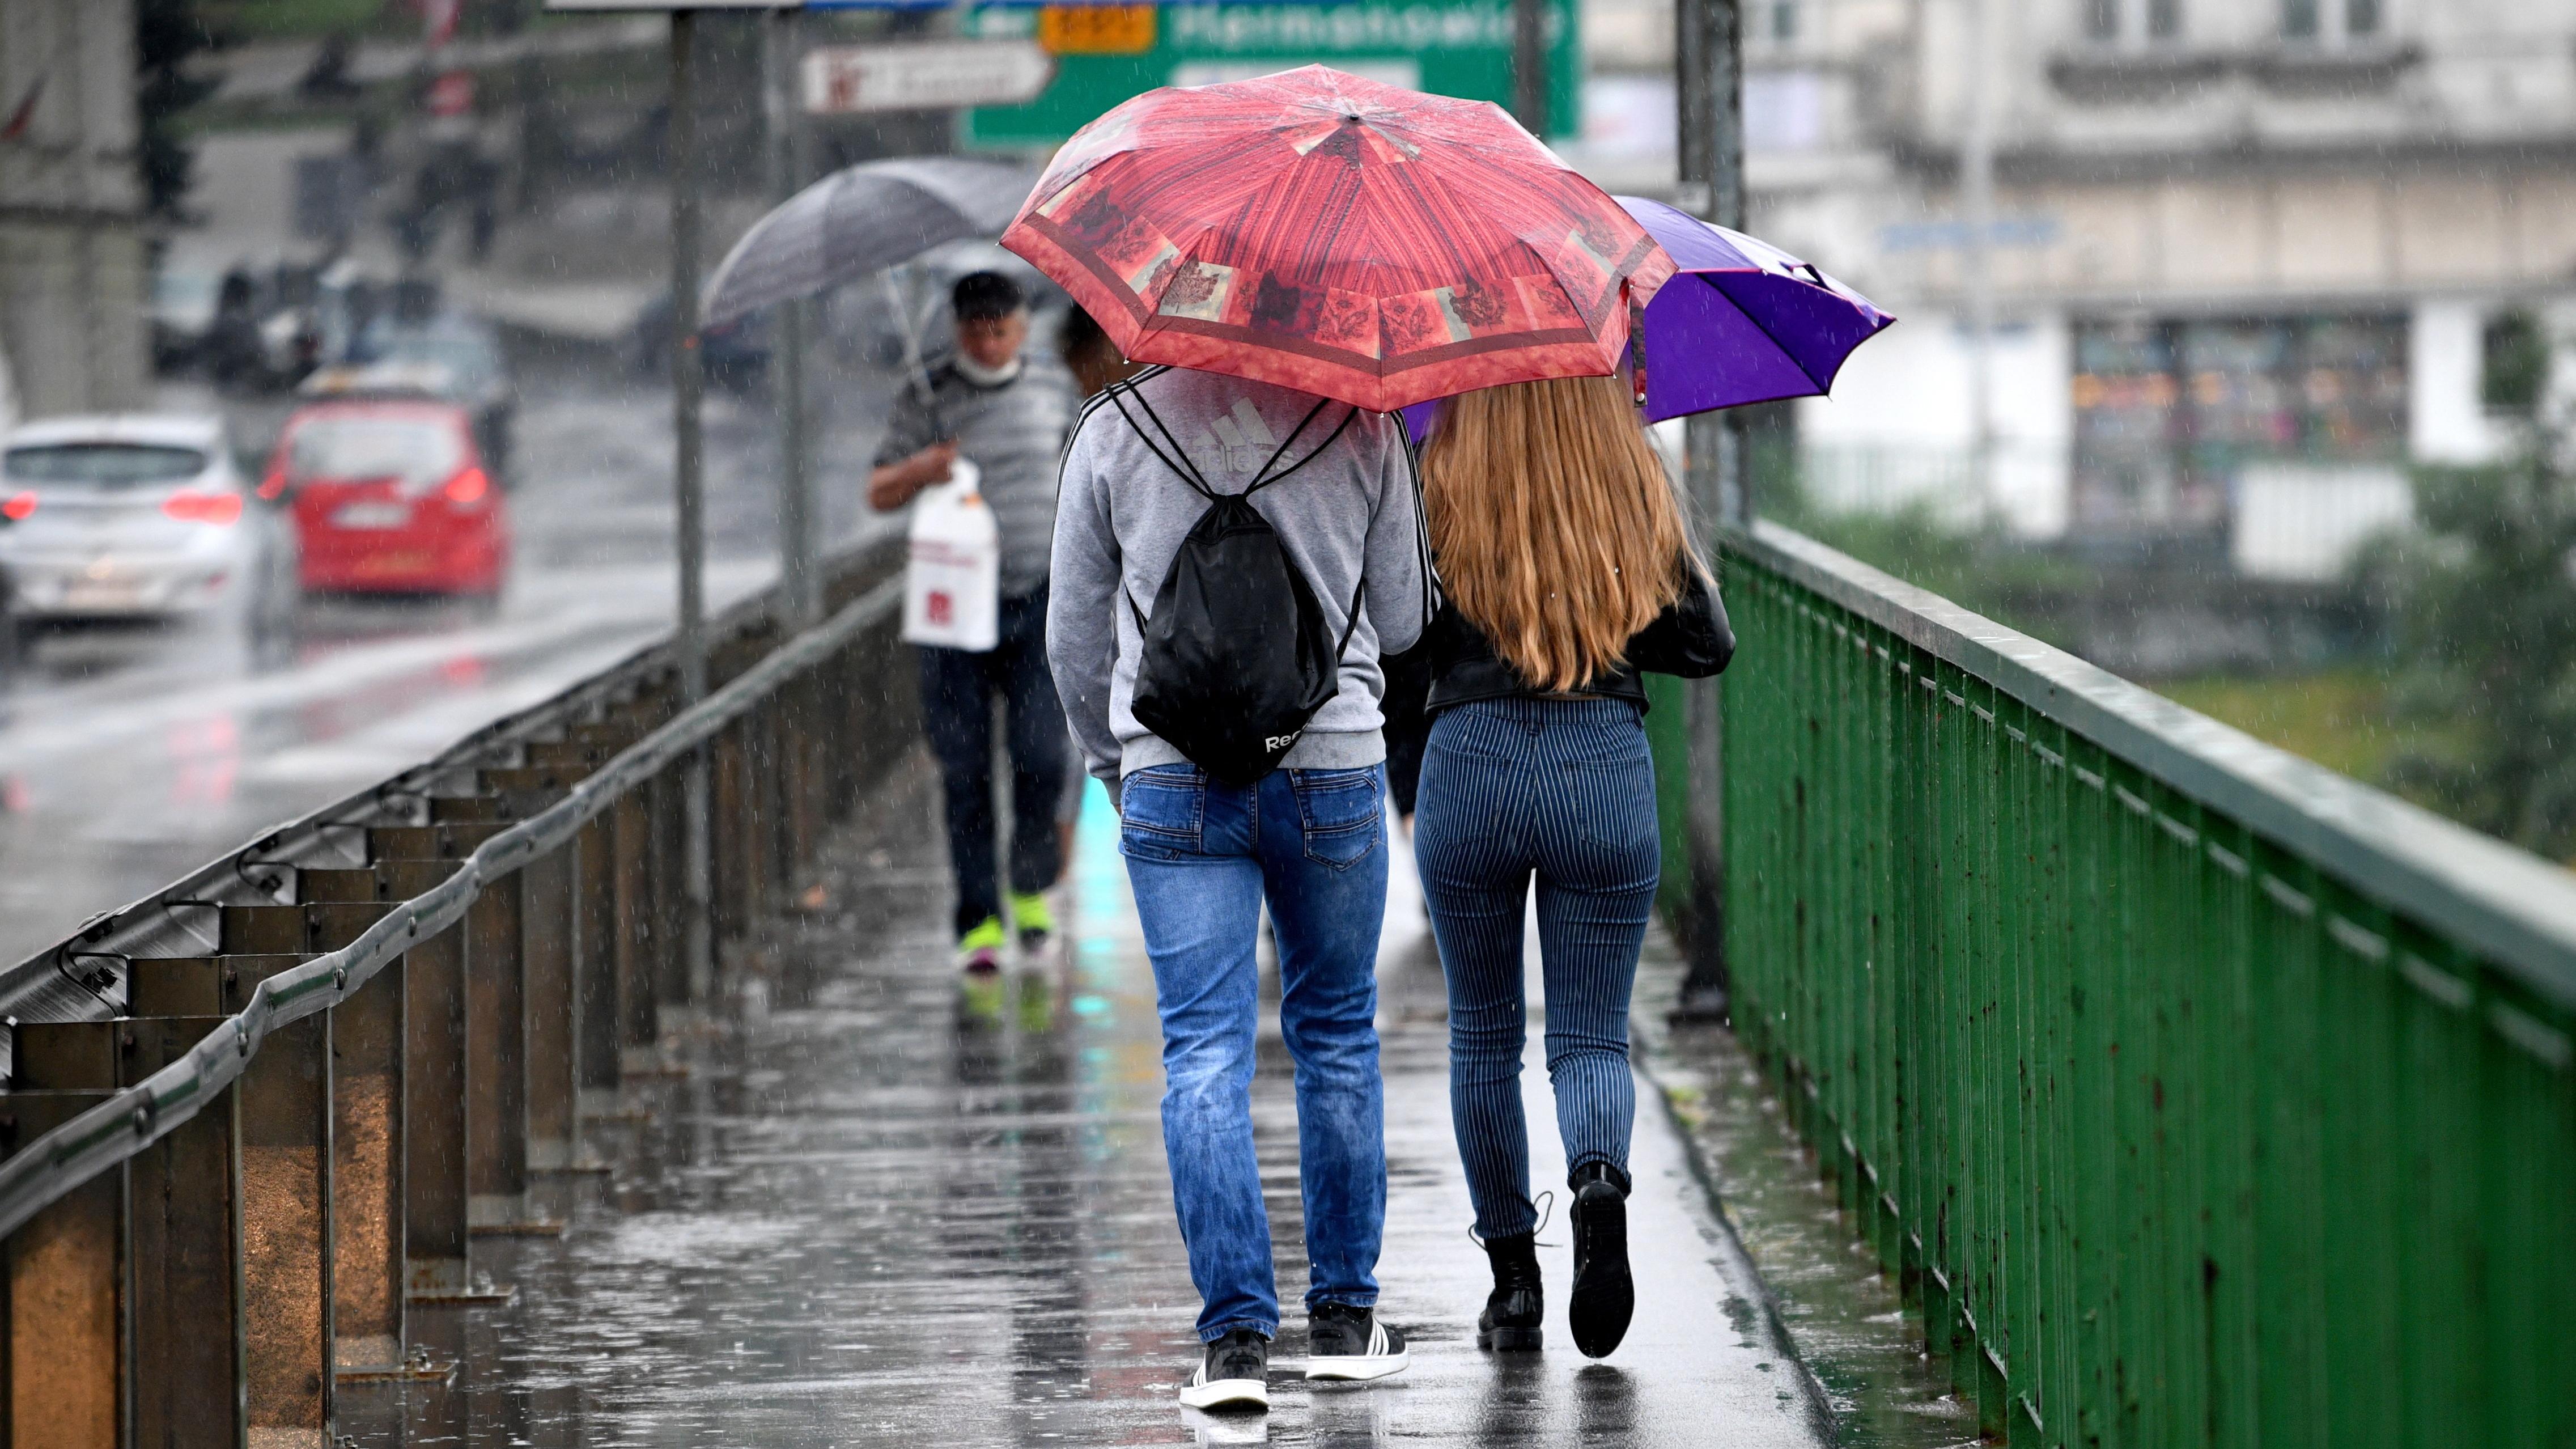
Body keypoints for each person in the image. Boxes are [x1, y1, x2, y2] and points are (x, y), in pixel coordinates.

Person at [1048, 364, 1428, 1412]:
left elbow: (1073, 638)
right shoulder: (1364, 420)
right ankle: (1347, 1320)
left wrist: (1113, 763)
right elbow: (1402, 619)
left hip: (1172, 773)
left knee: (1203, 1049)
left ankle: (1235, 1349)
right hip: (1332, 767)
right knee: (1337, 1034)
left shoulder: (1112, 428)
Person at [1405, 372, 1733, 1360]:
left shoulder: (1439, 461)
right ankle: (1598, 1178)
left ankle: (1514, 1287)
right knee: (1591, 1034)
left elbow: (1392, 632)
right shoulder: (1629, 466)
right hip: (1600, 757)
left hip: (1470, 761)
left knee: (1483, 1036)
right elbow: (1706, 644)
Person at [871, 272, 1075, 977]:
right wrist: (924, 467)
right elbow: (878, 490)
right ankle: (978, 918)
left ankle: (1030, 887)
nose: (988, 345)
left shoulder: (1054, 386)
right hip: (955, 608)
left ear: (1022, 329)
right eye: (975, 332)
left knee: (1043, 757)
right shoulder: (928, 395)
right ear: (957, 331)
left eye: (1001, 330)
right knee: (964, 771)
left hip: (1039, 595)